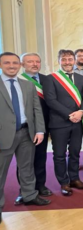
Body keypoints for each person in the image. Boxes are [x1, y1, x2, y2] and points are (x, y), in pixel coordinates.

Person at [0, 52, 50, 224]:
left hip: (26, 133)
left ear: (19, 65)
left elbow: (37, 109)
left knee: (27, 168)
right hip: (3, 136)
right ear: (1, 65)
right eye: (7, 63)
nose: (11, 66)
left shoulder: (27, 85)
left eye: (14, 63)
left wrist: (40, 131)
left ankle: (29, 195)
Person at [43, 49, 83, 196]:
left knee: (75, 152)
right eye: (64, 59)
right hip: (59, 122)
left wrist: (81, 112)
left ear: (74, 60)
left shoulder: (81, 78)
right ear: (59, 61)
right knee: (59, 155)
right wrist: (69, 115)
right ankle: (64, 182)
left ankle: (74, 178)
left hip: (77, 122)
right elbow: (50, 100)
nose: (68, 62)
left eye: (70, 59)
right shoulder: (50, 78)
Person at [14, 53, 52, 206]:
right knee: (24, 160)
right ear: (22, 64)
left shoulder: (47, 79)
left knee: (40, 157)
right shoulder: (18, 80)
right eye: (30, 61)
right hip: (25, 127)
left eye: (37, 61)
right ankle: (24, 190)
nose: (34, 64)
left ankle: (40, 185)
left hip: (43, 125)